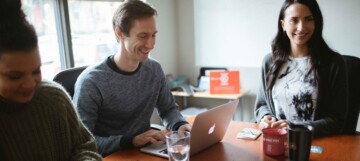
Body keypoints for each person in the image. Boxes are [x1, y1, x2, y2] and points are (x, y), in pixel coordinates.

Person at [73, 0, 191, 156]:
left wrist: (179, 125)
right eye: (143, 36)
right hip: (113, 156)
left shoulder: (154, 69)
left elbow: (168, 109)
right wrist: (130, 140)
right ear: (120, 33)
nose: (150, 44)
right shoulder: (91, 82)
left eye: (153, 35)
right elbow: (82, 144)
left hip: (145, 151)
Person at [0, 0, 102, 160]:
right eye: (15, 76)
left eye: (36, 71)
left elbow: (85, 146)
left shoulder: (54, 99)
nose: (29, 84)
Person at [254, 0, 348, 137]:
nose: (301, 27)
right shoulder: (269, 62)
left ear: (316, 22)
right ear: (283, 24)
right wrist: (266, 117)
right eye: (294, 20)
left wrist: (294, 128)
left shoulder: (334, 63)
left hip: (316, 144)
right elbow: (262, 105)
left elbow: (337, 120)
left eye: (308, 19)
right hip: (277, 142)